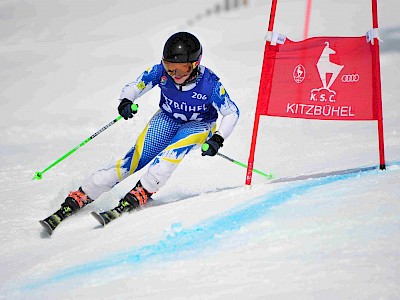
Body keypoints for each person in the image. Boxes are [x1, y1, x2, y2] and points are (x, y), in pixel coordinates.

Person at [52, 32, 240, 220]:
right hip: (167, 119)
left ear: (195, 65)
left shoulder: (209, 85)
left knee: (168, 158)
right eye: (170, 67)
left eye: (182, 69)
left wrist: (218, 138)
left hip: (198, 125)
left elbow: (231, 112)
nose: (175, 75)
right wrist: (126, 101)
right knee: (132, 160)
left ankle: (144, 190)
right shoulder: (160, 73)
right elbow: (135, 86)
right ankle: (85, 192)